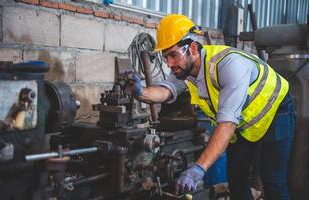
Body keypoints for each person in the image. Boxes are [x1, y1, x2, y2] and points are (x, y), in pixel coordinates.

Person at [125, 14, 294, 200]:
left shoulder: (229, 65)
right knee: (237, 180)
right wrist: (139, 92)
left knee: (272, 181)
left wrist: (199, 168)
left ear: (193, 48)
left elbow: (227, 124)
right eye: (165, 57)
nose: (169, 63)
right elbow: (166, 92)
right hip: (245, 123)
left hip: (277, 110)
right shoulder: (186, 70)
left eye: (173, 55)